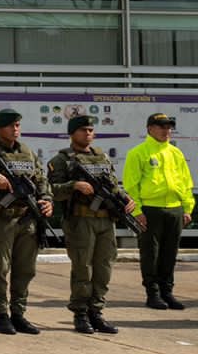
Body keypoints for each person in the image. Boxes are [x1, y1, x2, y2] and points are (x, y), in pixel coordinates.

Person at [0, 108, 53, 335]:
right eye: (11, 126)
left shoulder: (27, 152)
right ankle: (2, 314)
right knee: (0, 269)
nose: (16, 129)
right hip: (1, 220)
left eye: (18, 125)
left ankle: (19, 313)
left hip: (27, 218)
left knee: (25, 270)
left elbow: (41, 180)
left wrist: (46, 199)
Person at [48, 116, 129, 334]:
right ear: (72, 133)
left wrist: (124, 198)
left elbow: (112, 185)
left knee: (104, 268)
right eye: (83, 130)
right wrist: (74, 185)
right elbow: (51, 189)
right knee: (83, 268)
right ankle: (81, 314)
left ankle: (97, 312)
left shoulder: (102, 157)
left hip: (105, 220)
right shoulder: (62, 160)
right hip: (80, 220)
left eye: (91, 130)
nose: (88, 133)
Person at [123, 111, 193, 310]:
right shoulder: (138, 153)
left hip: (175, 210)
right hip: (149, 210)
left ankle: (167, 292)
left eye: (169, 126)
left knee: (170, 254)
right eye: (162, 126)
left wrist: (187, 208)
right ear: (150, 129)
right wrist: (137, 212)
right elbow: (131, 186)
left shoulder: (175, 153)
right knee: (150, 253)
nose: (166, 130)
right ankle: (152, 294)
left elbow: (186, 182)